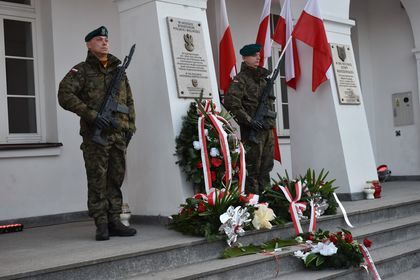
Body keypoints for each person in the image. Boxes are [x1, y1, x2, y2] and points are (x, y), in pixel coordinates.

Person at [58, 26, 137, 241]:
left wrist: (130, 126)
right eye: (99, 39)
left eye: (106, 39)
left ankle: (114, 220)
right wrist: (91, 115)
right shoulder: (81, 70)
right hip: (96, 136)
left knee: (115, 178)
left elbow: (128, 100)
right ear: (89, 44)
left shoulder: (118, 71)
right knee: (97, 179)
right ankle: (101, 223)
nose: (104, 43)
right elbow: (64, 95)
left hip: (118, 134)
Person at [224, 43, 276, 194]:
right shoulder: (241, 79)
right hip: (252, 131)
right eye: (254, 55)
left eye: (258, 55)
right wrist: (249, 121)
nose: (258, 57)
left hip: (266, 130)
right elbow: (231, 102)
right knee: (252, 168)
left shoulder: (264, 80)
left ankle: (266, 201)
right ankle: (253, 201)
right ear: (244, 58)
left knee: (266, 167)